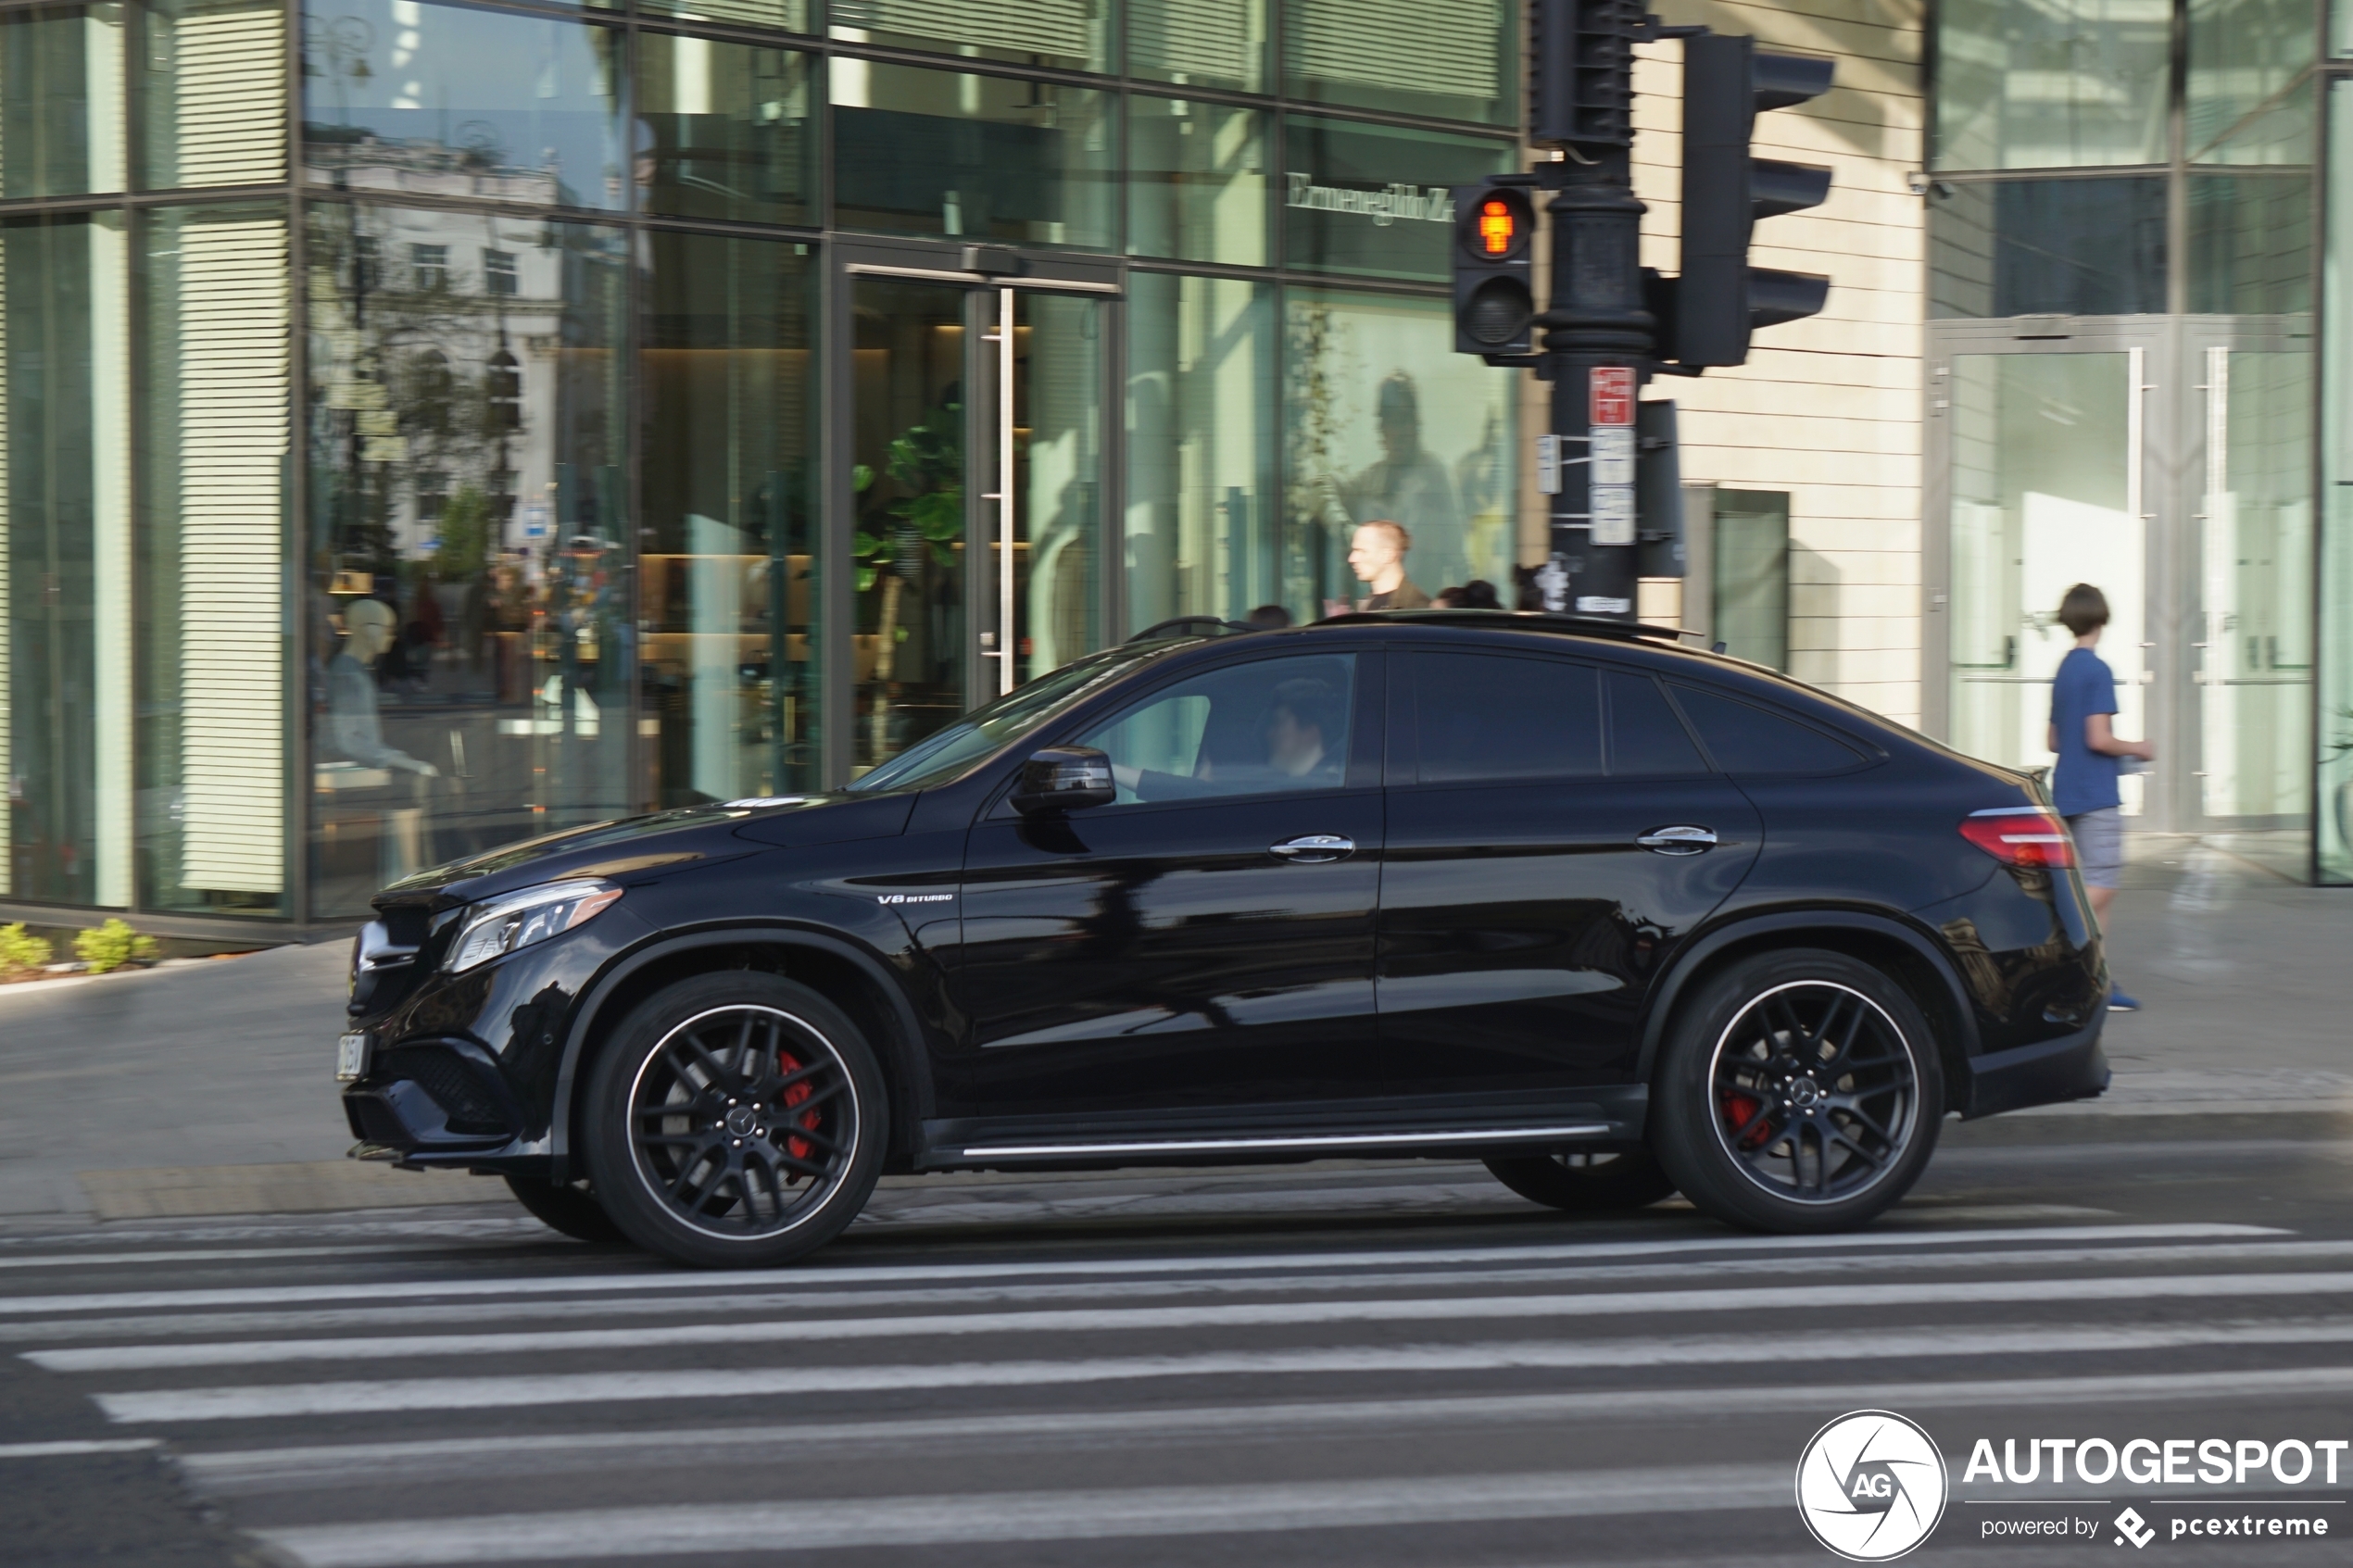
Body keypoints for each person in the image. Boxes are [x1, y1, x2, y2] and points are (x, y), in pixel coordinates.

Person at [2046, 583, 2153, 1011]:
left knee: (2091, 887)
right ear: (2101, 618)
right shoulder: (2097, 670)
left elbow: (2053, 739)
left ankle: (2098, 984)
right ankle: (2053, 955)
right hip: (2096, 794)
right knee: (2102, 887)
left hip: (2068, 790)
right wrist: (2140, 748)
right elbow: (2099, 738)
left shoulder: (2064, 669)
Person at [1347, 520, 1430, 611]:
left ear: (1388, 555)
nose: (1351, 559)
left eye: (1362, 551)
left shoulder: (1417, 608)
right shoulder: (1361, 606)